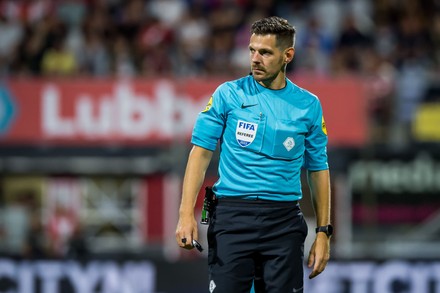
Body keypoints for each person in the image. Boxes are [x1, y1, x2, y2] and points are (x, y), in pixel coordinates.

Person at [175, 16, 332, 293]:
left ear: (288, 56)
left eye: (266, 52)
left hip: (283, 222)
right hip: (232, 217)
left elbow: (318, 169)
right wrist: (186, 213)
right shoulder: (228, 94)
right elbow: (199, 154)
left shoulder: (308, 105)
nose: (255, 59)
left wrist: (323, 232)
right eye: (252, 50)